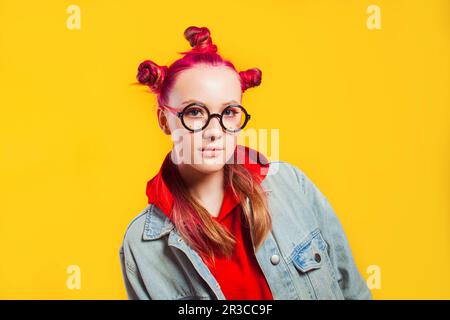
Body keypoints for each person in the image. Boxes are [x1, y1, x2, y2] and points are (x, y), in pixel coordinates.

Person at [119, 26, 372, 300]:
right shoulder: (143, 245)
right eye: (194, 111)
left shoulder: (291, 184)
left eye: (228, 112)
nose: (214, 130)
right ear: (164, 120)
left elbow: (352, 289)